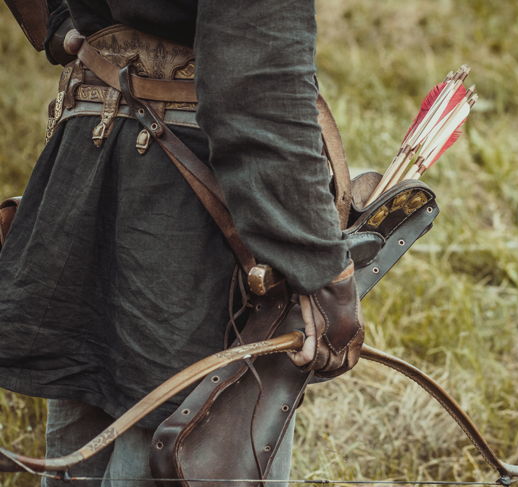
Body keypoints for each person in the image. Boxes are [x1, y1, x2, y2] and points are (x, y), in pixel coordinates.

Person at [0, 1, 363, 485]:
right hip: (187, 197)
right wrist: (321, 270)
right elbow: (259, 87)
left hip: (95, 141)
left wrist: (62, 22)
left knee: (99, 417)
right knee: (177, 436)